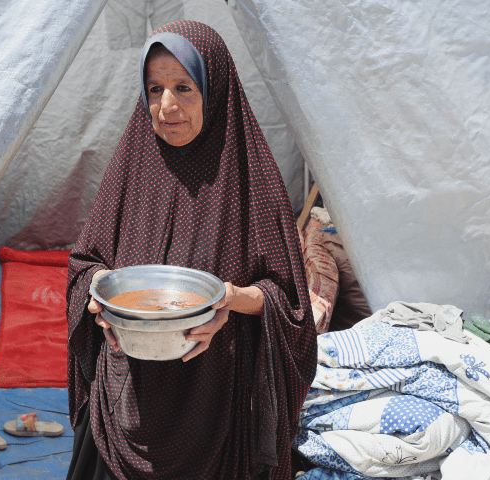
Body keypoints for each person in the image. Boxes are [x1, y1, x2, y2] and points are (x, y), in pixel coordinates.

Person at [66, 20, 317, 480]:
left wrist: (231, 299)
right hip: (128, 395)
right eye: (155, 88)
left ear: (215, 88)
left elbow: (291, 303)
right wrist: (100, 297)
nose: (167, 107)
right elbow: (88, 263)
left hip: (217, 403)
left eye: (184, 87)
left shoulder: (251, 179)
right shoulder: (132, 164)